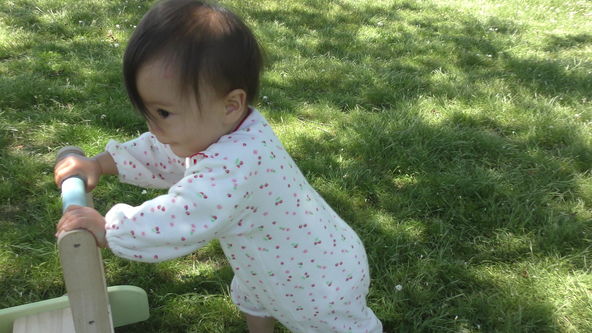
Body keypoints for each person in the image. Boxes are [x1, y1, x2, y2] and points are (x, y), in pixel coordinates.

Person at [54, 0, 383, 331]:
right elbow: (163, 153)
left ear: (231, 104)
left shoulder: (235, 166)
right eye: (149, 113)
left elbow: (184, 215)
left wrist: (111, 230)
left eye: (164, 113)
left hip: (316, 284)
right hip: (270, 263)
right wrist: (100, 163)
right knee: (254, 294)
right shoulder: (226, 127)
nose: (154, 128)